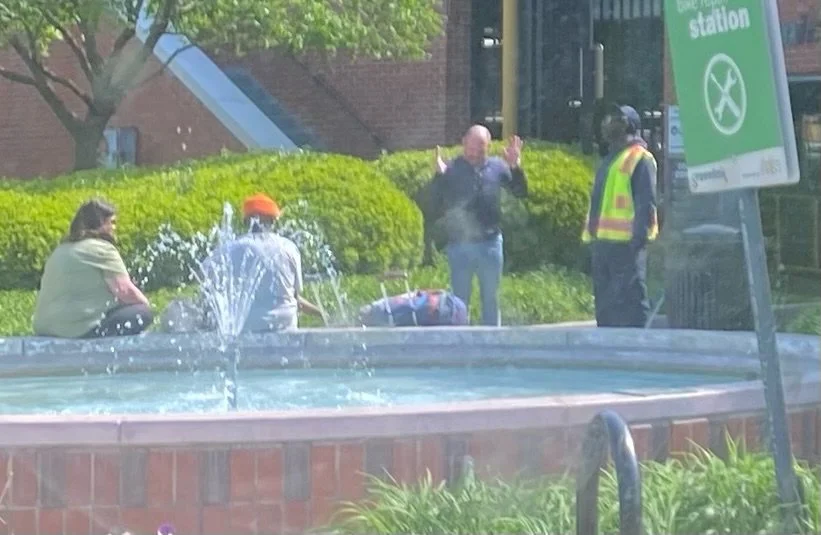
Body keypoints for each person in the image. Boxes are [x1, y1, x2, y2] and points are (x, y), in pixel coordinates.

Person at [428, 125, 527, 326]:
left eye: (480, 150)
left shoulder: (498, 167)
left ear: (488, 147)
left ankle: (492, 345)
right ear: (463, 143)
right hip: (460, 245)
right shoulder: (452, 169)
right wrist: (439, 175)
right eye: (471, 148)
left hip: (490, 244)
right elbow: (434, 203)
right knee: (459, 302)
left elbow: (520, 192)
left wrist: (515, 167)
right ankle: (461, 345)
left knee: (490, 299)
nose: (474, 154)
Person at [198, 193, 324, 333]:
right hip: (285, 331)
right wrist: (322, 314)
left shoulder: (227, 250)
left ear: (246, 222)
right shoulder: (288, 248)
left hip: (244, 332)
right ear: (273, 220)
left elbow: (204, 280)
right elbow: (293, 298)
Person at [582, 104, 659, 328]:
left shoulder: (640, 158)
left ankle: (639, 350)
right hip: (604, 245)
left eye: (617, 119)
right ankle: (607, 352)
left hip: (627, 246)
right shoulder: (610, 159)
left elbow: (646, 202)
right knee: (606, 305)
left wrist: (638, 240)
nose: (609, 123)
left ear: (630, 126)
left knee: (632, 303)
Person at [33, 198, 153, 338]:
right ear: (100, 223)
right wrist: (147, 305)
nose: (114, 228)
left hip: (44, 327)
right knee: (142, 312)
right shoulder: (103, 249)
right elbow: (124, 290)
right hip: (78, 330)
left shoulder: (60, 250)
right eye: (112, 222)